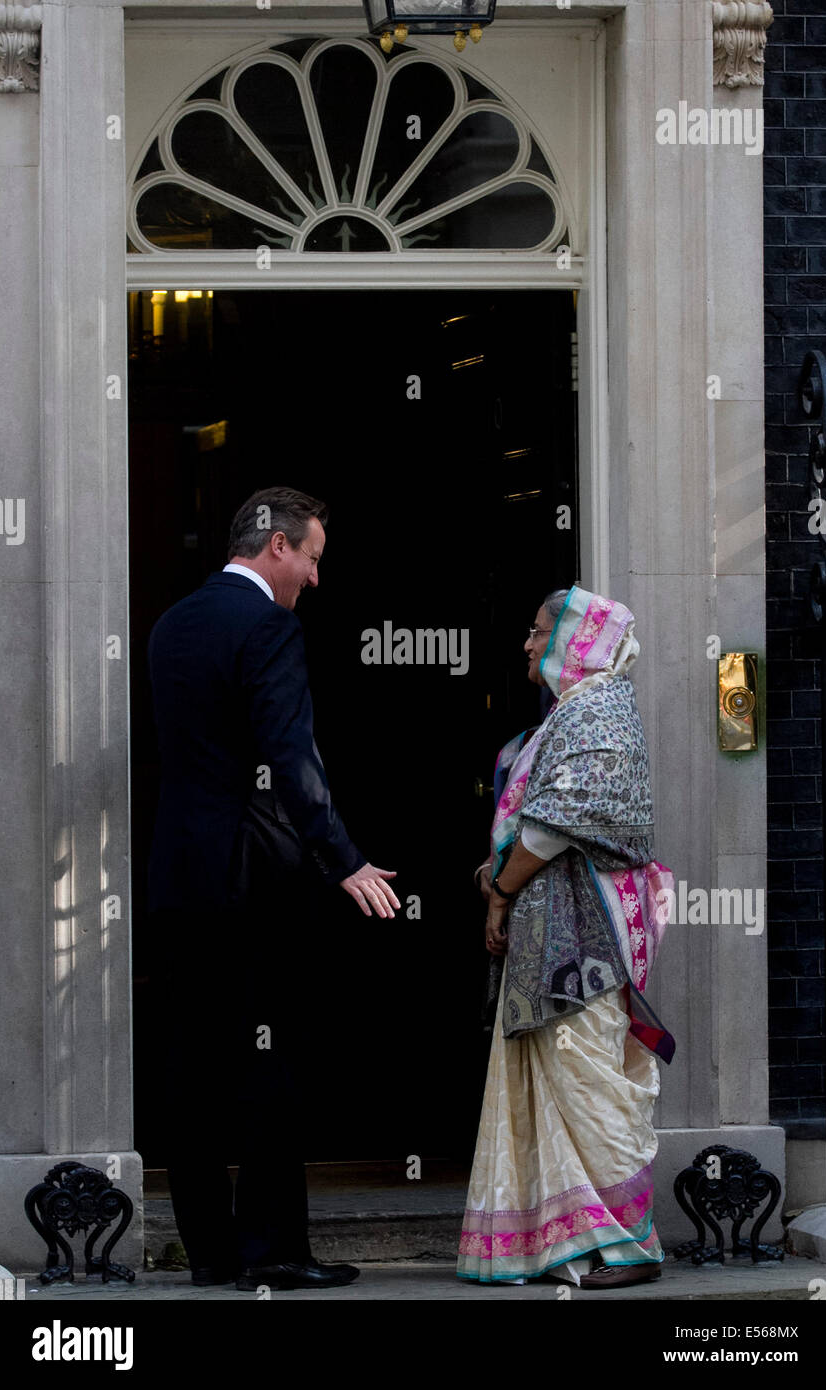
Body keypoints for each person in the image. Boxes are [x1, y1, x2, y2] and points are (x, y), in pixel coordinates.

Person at [147, 485, 400, 1292]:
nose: (316, 580)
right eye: (314, 559)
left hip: (181, 878)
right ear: (278, 546)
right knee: (267, 1064)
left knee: (192, 1064)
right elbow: (291, 758)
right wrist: (345, 858)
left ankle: (211, 1254)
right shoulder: (269, 626)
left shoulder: (170, 625)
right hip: (254, 881)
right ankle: (274, 1254)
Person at [457, 585, 675, 1288]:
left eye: (539, 630)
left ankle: (629, 1247)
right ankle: (568, 1243)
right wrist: (501, 888)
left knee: (586, 1083)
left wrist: (502, 888)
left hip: (581, 942)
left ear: (576, 641)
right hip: (553, 934)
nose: (526, 643)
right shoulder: (573, 714)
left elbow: (553, 828)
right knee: (556, 1080)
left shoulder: (598, 712)